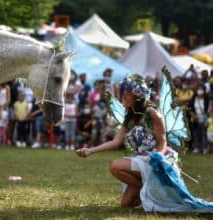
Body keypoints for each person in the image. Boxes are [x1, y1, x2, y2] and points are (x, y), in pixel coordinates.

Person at [76, 74, 213, 213]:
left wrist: (157, 157)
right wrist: (90, 151)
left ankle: (148, 190)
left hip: (154, 160)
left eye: (127, 93)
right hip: (140, 159)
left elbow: (162, 142)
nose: (124, 96)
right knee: (126, 204)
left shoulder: (152, 114)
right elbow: (116, 141)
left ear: (138, 97)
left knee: (115, 166)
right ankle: (147, 190)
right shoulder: (130, 116)